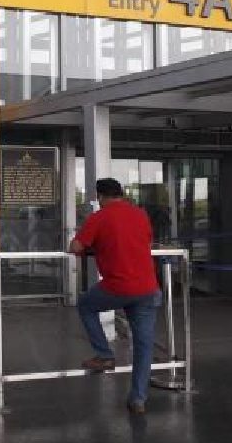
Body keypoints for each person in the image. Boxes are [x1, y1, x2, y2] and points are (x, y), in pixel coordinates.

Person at [70, 178, 162, 415]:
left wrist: (93, 245)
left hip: (118, 287)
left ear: (100, 197)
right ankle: (138, 399)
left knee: (86, 305)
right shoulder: (140, 214)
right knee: (143, 346)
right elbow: (143, 241)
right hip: (148, 288)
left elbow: (76, 247)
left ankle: (104, 355)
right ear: (121, 194)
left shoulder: (99, 217)